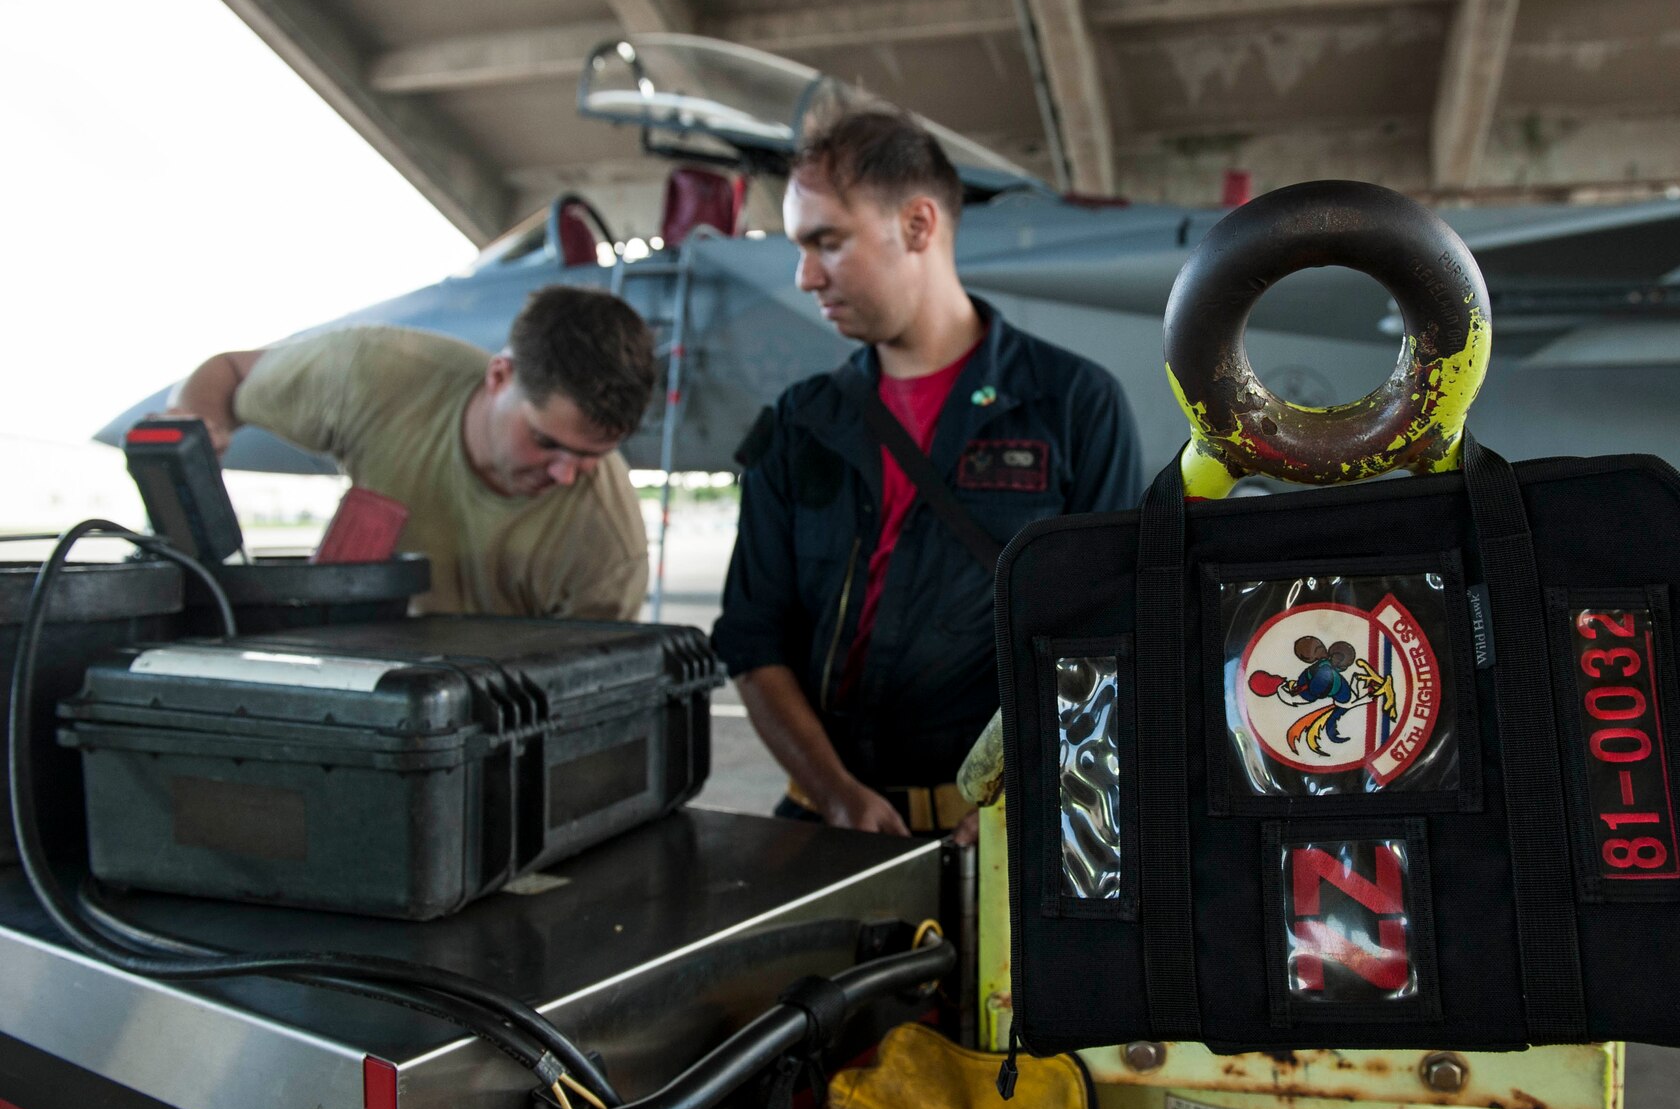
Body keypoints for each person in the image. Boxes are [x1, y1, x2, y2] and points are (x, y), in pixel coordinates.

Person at [712, 107, 1144, 841]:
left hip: (1008, 836)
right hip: (827, 825)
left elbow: (1111, 637)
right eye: (800, 246)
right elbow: (754, 638)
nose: (805, 274)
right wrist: (837, 795)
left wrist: (1025, 795)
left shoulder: (1072, 405)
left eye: (828, 242)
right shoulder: (800, 423)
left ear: (917, 226)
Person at [169, 285, 656, 619]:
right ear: (500, 376)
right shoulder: (375, 376)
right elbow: (228, 374)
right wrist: (192, 430)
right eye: (546, 442)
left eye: (591, 455)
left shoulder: (607, 544)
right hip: (360, 665)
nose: (567, 474)